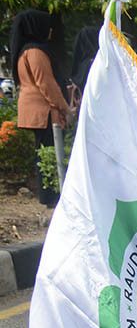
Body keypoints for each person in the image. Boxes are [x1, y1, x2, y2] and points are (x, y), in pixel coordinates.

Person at [10, 10, 70, 206]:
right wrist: (64, 108)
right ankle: (52, 196)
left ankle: (49, 195)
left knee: (43, 153)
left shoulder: (24, 50)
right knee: (50, 153)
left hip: (35, 110)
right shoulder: (35, 51)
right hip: (43, 111)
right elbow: (46, 84)